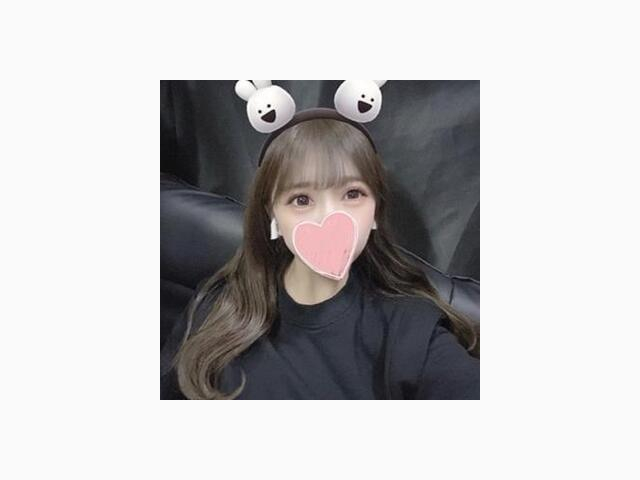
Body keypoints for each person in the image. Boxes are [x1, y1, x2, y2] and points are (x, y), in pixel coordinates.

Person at [160, 108, 480, 400]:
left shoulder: (411, 334)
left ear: (376, 211)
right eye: (301, 200)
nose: (329, 217)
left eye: (352, 194)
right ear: (272, 214)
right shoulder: (216, 307)